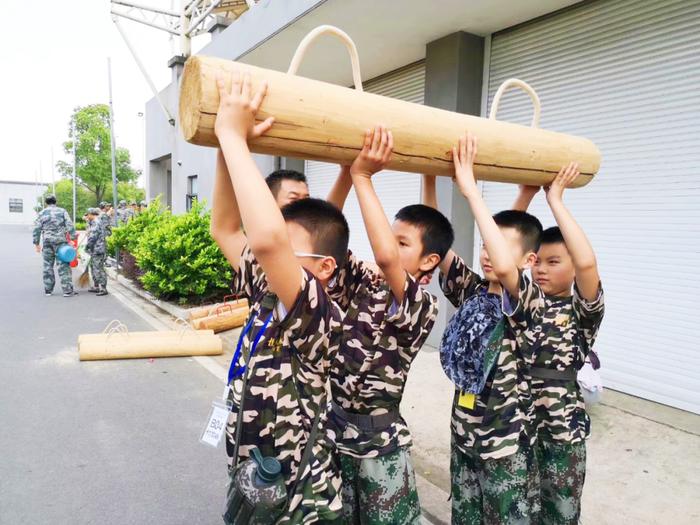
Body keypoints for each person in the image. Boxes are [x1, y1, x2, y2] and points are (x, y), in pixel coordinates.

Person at [210, 71, 346, 523]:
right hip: (254, 473)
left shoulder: (319, 312)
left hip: (301, 497)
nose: (275, 259)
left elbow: (268, 241)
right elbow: (227, 228)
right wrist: (222, 143)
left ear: (324, 267)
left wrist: (234, 134)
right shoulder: (269, 289)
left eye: (291, 251)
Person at [324, 126, 452, 524]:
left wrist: (364, 177)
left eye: (403, 243)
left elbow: (385, 259)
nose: (391, 248)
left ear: (429, 260)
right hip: (335, 431)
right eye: (391, 239)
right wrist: (346, 174)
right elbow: (323, 241)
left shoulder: (420, 304)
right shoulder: (365, 282)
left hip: (380, 444)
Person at [425, 134, 543, 524]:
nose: (490, 256)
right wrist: (430, 179)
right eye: (487, 247)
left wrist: (471, 190)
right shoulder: (475, 290)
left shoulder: (526, 303)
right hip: (464, 432)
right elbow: (436, 248)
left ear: (528, 260)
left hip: (504, 445)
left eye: (501, 250)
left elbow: (510, 265)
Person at [511, 168, 605, 524]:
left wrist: (555, 201)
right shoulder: (521, 300)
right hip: (514, 423)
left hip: (561, 429)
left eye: (554, 262)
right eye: (538, 262)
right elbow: (505, 250)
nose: (541, 271)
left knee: (560, 511)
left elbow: (587, 262)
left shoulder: (582, 310)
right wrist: (525, 197)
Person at [32, 195, 78, 297]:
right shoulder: (62, 211)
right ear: (55, 201)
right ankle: (67, 290)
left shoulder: (42, 213)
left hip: (47, 242)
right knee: (63, 266)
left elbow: (36, 228)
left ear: (46, 202)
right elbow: (69, 224)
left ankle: (48, 290)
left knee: (47, 266)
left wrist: (36, 243)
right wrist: (73, 238)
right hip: (61, 242)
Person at [85, 208, 109, 296]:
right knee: (94, 267)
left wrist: (86, 247)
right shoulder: (94, 222)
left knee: (98, 268)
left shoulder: (96, 223)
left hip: (97, 249)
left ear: (92, 214)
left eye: (88, 214)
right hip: (95, 249)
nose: (87, 216)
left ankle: (103, 288)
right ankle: (96, 286)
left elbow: (92, 238)